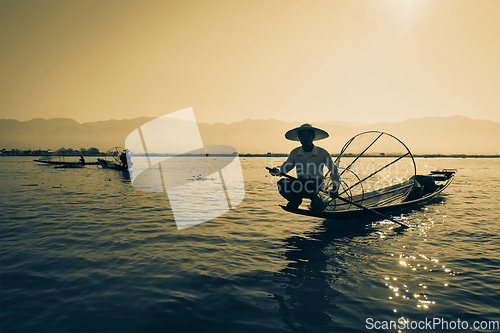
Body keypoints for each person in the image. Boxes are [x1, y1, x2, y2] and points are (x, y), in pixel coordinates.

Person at [268, 123, 340, 211]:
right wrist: (277, 170)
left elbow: (334, 170)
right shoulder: (295, 153)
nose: (305, 138)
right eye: (303, 136)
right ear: (299, 138)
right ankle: (295, 200)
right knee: (282, 183)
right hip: (300, 185)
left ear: (312, 137)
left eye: (308, 136)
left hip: (316, 184)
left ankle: (316, 200)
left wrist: (335, 189)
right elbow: (285, 168)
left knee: (316, 204)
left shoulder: (322, 153)